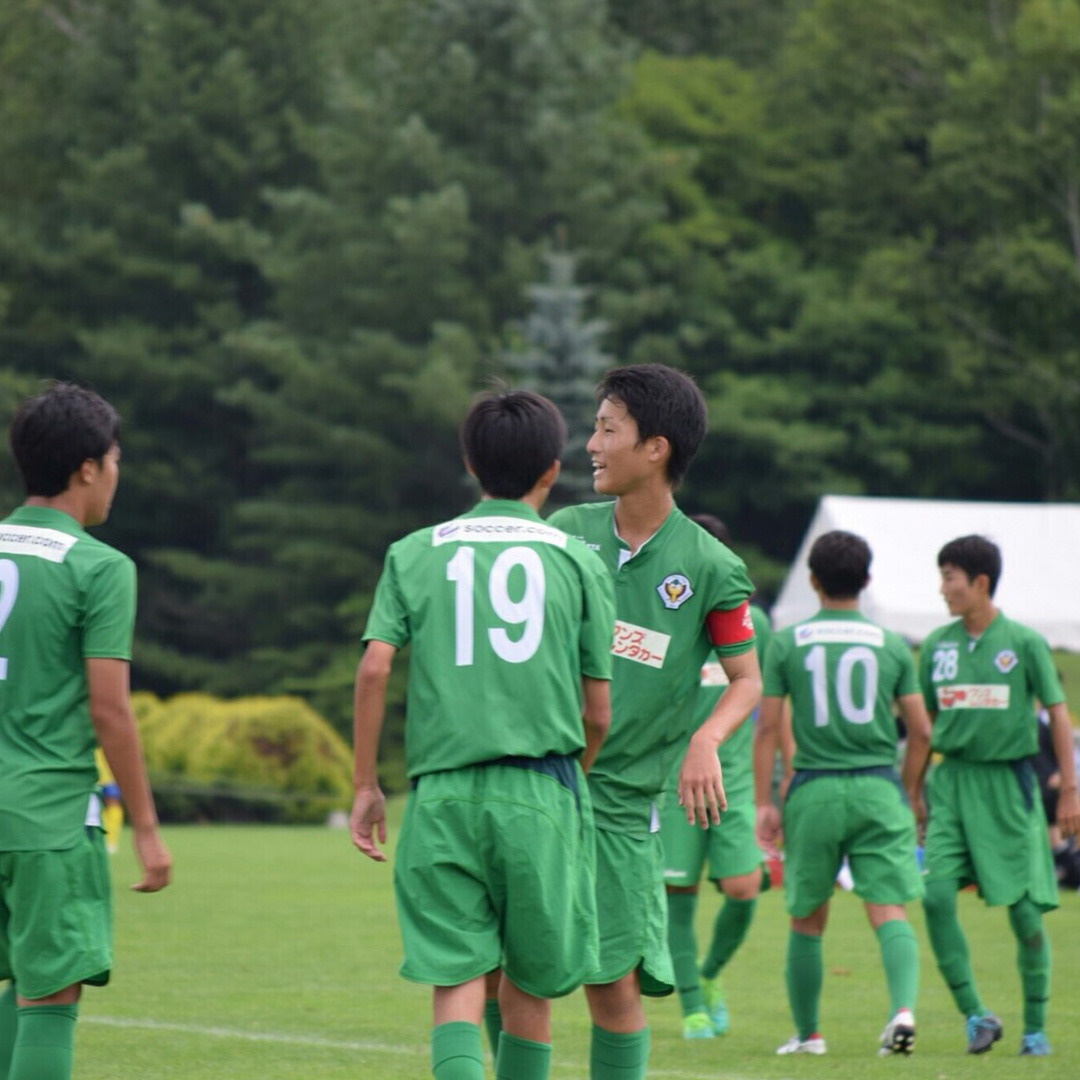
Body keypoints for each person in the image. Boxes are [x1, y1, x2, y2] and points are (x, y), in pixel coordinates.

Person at [350, 387, 615, 1080]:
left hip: (441, 794)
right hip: (540, 789)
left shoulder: (413, 551)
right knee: (529, 987)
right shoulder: (579, 560)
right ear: (552, 469)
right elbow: (597, 714)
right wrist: (572, 777)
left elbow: (375, 668)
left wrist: (365, 783)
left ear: (469, 463)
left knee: (458, 984)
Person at [548, 364, 762, 1080]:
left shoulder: (711, 566)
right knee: (504, 973)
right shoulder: (564, 532)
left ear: (656, 448)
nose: (591, 445)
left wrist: (707, 738)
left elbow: (746, 680)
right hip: (541, 787)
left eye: (608, 428)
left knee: (613, 987)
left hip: (619, 807)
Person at [0, 382, 171, 1080]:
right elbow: (109, 710)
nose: (116, 476)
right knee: (48, 990)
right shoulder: (99, 567)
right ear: (87, 468)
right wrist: (148, 827)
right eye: (116, 459)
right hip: (46, 814)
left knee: (20, 977)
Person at [754, 530, 931, 1058]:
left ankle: (809, 1035)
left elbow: (767, 729)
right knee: (888, 907)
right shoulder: (892, 644)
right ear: (867, 581)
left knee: (806, 916)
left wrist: (764, 800)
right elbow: (921, 731)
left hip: (814, 789)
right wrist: (909, 790)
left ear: (812, 581)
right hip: (878, 784)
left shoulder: (787, 642)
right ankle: (902, 1010)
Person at [918, 535, 1080, 1057]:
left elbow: (1057, 714)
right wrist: (916, 791)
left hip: (1009, 787)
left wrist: (1071, 788)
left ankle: (1035, 1028)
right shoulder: (937, 646)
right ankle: (976, 1016)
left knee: (1025, 915)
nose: (943, 589)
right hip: (951, 786)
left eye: (950, 577)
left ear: (980, 582)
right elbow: (925, 726)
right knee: (936, 896)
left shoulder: (1025, 642)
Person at [659, 514, 781, 1040]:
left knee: (742, 887)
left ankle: (708, 976)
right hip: (670, 780)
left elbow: (770, 708)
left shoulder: (757, 625)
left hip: (730, 779)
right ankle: (692, 1009)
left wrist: (772, 790)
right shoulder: (664, 618)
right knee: (679, 896)